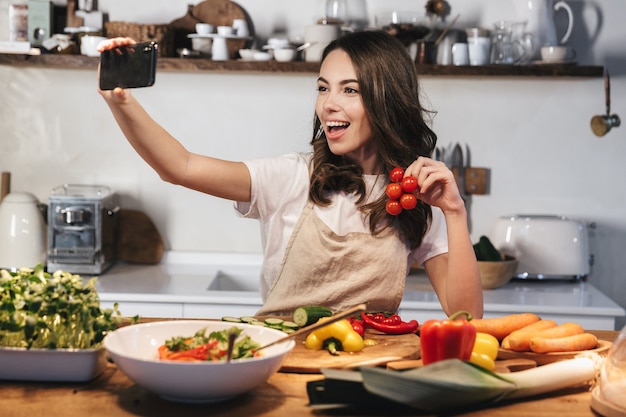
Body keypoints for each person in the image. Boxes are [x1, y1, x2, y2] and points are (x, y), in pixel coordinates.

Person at [97, 30, 483, 319]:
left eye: (349, 90)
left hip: (368, 369)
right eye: (322, 88)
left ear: (387, 100)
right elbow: (179, 166)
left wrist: (454, 212)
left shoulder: (413, 197)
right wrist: (120, 101)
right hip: (282, 364)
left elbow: (466, 317)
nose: (328, 104)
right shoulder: (293, 176)